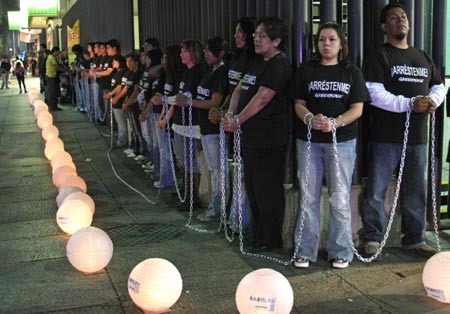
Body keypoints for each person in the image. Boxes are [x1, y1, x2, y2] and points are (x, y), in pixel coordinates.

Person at [361, 3, 446, 258]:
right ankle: (373, 238)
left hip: (417, 137)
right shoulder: (379, 56)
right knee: (375, 190)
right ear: (384, 27)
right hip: (386, 137)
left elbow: (439, 86)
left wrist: (432, 101)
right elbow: (373, 93)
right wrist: (409, 103)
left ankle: (414, 239)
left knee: (416, 190)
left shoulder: (422, 56)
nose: (401, 20)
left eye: (403, 16)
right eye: (394, 18)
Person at [292, 22, 371, 269]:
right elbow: (298, 103)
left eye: (332, 39)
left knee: (339, 197)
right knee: (308, 198)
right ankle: (304, 250)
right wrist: (309, 119)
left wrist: (335, 123)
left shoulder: (352, 72)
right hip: (309, 142)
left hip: (343, 143)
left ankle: (341, 251)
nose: (326, 44)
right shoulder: (307, 70)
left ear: (341, 44)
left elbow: (358, 108)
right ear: (316, 44)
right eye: (322, 40)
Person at [223, 17, 292, 253]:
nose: (256, 39)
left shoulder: (279, 64)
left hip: (269, 138)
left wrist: (238, 120)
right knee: (252, 187)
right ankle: (258, 232)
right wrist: (230, 114)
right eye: (257, 35)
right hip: (249, 137)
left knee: (267, 189)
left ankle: (271, 238)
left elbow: (262, 98)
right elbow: (239, 89)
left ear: (277, 41)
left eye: (263, 35)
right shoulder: (256, 61)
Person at [190, 36, 229, 221]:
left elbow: (215, 102)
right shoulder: (209, 72)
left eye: (208, 50)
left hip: (214, 128)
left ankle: (218, 208)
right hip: (205, 127)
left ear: (220, 53)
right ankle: (216, 207)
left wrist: (191, 102)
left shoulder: (221, 73)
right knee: (213, 168)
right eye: (204, 50)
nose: (205, 53)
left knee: (217, 169)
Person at [173, 39, 208, 210]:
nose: (181, 54)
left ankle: (193, 196)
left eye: (185, 51)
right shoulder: (185, 73)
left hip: (192, 122)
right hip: (180, 121)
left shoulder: (199, 72)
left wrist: (186, 100)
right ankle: (186, 191)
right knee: (183, 159)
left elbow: (196, 98)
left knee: (191, 160)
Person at [46, 47, 66, 111]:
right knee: (52, 92)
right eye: (57, 52)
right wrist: (64, 70)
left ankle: (54, 106)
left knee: (54, 91)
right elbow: (56, 67)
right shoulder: (51, 57)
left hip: (52, 76)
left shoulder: (52, 57)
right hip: (51, 76)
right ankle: (52, 107)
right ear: (54, 51)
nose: (58, 53)